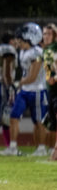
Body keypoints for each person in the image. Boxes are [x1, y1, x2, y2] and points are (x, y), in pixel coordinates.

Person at [0, 23, 48, 156]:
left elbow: (32, 77)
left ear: (30, 39)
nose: (18, 42)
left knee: (38, 121)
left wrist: (17, 83)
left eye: (21, 40)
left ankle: (41, 148)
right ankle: (13, 147)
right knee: (13, 116)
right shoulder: (23, 52)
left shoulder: (37, 53)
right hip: (25, 90)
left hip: (37, 90)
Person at [41, 23, 57, 156]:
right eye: (44, 33)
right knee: (52, 122)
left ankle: (56, 150)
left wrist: (55, 77)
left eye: (49, 34)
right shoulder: (46, 50)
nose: (46, 36)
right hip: (51, 89)